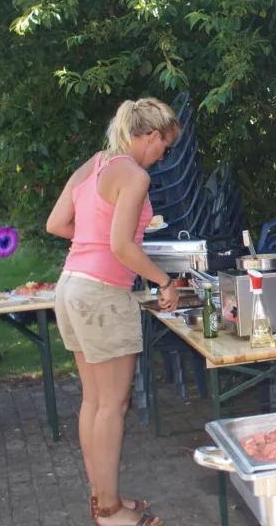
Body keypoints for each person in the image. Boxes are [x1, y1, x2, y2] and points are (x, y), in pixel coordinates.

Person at [47, 98, 180, 526]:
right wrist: (165, 281)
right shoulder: (135, 175)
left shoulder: (97, 163)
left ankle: (104, 498)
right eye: (165, 146)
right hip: (102, 295)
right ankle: (108, 513)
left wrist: (93, 246)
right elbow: (123, 247)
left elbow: (57, 224)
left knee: (95, 401)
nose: (164, 155)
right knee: (112, 405)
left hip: (71, 287)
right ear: (153, 135)